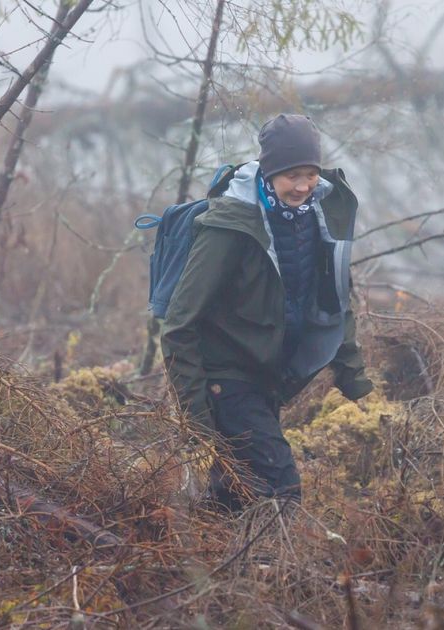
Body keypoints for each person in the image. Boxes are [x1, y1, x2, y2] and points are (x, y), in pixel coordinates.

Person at [161, 113, 373, 512]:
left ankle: (211, 546)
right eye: (292, 175)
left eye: (311, 174)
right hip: (227, 380)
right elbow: (178, 323)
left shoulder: (317, 218)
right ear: (270, 171)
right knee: (281, 487)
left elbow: (333, 303)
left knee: (235, 496)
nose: (303, 186)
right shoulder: (231, 226)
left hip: (269, 377)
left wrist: (354, 380)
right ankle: (280, 555)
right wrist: (196, 417)